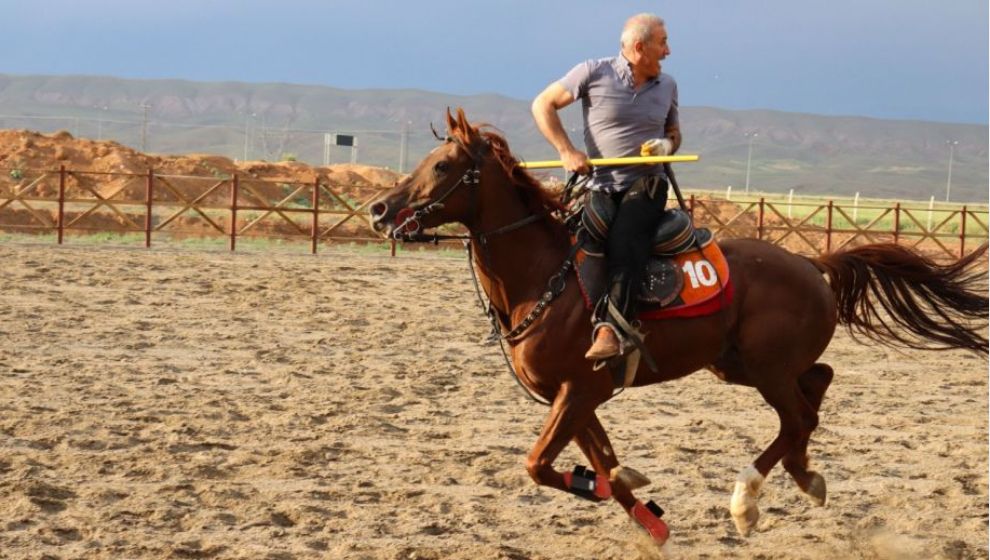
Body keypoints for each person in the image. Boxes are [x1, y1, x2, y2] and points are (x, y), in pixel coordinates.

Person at [532, 13, 681, 361]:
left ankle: (612, 329)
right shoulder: (592, 71)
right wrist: (566, 151)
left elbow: (674, 133)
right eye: (663, 43)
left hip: (647, 182)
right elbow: (543, 104)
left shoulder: (669, 86)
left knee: (626, 239)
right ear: (639, 47)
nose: (669, 51)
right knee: (581, 241)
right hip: (600, 182)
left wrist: (667, 146)